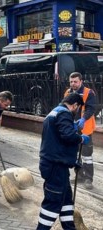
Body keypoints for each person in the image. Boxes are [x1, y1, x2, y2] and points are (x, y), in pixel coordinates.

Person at [37, 93, 90, 230]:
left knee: (66, 201)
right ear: (75, 105)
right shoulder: (64, 113)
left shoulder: (54, 112)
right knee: (53, 203)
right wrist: (80, 138)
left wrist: (72, 162)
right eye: (77, 110)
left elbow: (57, 143)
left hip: (57, 165)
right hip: (55, 167)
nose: (76, 112)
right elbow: (67, 136)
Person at [64, 72, 96, 190]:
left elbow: (91, 108)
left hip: (85, 128)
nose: (73, 84)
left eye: (75, 81)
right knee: (75, 153)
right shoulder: (68, 92)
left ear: (81, 81)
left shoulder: (89, 92)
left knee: (87, 155)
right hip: (73, 128)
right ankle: (79, 175)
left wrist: (83, 119)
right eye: (71, 81)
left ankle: (88, 178)